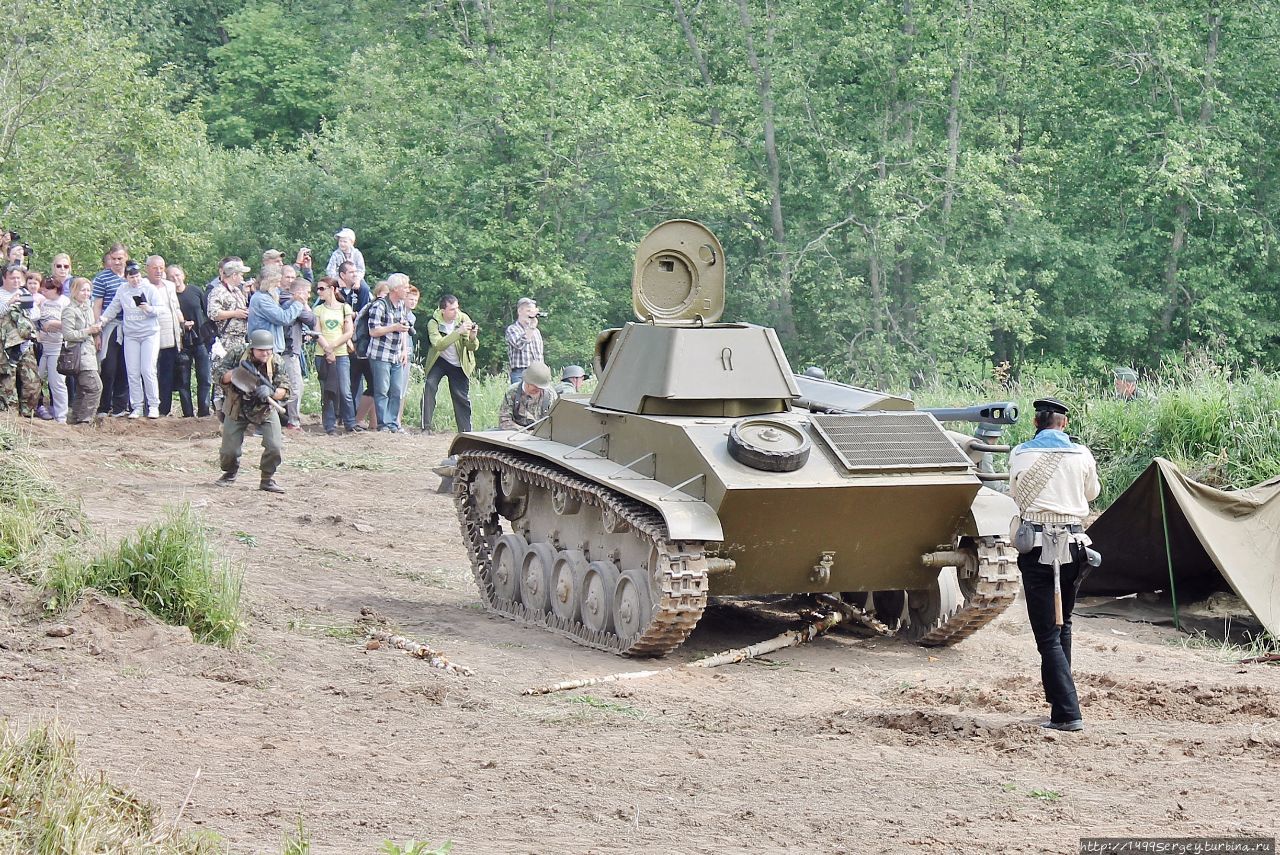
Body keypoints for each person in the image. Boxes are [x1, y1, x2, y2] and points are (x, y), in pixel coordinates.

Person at [1008, 397, 1101, 733]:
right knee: (1064, 626)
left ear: (1036, 423)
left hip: (1035, 546)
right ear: (1063, 424)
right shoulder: (1082, 454)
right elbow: (1092, 493)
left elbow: (1015, 493)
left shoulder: (1020, 453)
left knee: (1047, 634)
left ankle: (1067, 712)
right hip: (1076, 547)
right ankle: (1058, 701)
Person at [216, 328, 290, 493]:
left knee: (274, 446)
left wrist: (270, 392)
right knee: (230, 450)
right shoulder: (237, 354)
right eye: (261, 350)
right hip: (237, 406)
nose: (265, 353)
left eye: (268, 349)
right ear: (252, 348)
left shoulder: (276, 361)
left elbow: (284, 389)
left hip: (264, 409)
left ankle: (267, 479)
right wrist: (237, 374)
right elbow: (218, 375)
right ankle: (230, 473)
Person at [99, 260, 162, 419]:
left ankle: (153, 405)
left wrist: (149, 309)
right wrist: (103, 320)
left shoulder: (149, 288)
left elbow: (161, 308)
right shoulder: (123, 290)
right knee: (132, 372)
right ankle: (137, 406)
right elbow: (114, 307)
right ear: (126, 278)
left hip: (149, 333)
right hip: (131, 335)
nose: (135, 280)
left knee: (147, 369)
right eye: (131, 277)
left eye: (137, 276)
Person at [421, 294, 478, 433]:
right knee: (430, 386)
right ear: (443, 311)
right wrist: (458, 332)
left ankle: (465, 431)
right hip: (439, 360)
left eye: (457, 308)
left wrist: (473, 337)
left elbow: (471, 347)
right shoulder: (433, 322)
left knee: (461, 397)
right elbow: (439, 345)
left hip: (459, 362)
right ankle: (426, 427)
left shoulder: (463, 318)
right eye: (452, 309)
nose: (456, 312)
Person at [367, 274, 412, 433]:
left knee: (397, 390)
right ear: (396, 289)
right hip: (380, 355)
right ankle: (383, 424)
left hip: (396, 355)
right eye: (405, 287)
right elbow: (373, 331)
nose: (407, 290)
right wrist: (394, 327)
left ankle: (394, 423)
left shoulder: (401, 305)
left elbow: (403, 329)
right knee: (382, 390)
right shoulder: (379, 305)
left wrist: (404, 350)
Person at [91, 243, 131, 417]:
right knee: (109, 367)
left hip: (130, 327)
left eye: (120, 259)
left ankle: (121, 406)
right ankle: (104, 406)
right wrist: (97, 332)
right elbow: (97, 306)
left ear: (126, 258)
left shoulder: (132, 277)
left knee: (126, 366)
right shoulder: (102, 278)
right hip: (110, 327)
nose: (117, 262)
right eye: (114, 259)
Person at [312, 276, 355, 434]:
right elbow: (317, 332)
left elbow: (349, 332)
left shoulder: (345, 308)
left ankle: (350, 423)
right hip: (321, 354)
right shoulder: (318, 310)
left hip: (341, 354)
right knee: (327, 390)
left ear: (333, 289)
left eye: (322, 288)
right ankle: (329, 425)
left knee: (345, 390)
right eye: (318, 288)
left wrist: (332, 347)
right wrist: (327, 349)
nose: (319, 292)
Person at [145, 256, 184, 417]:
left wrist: (182, 324)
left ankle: (165, 409)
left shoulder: (169, 285)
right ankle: (149, 406)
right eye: (155, 268)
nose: (159, 271)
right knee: (150, 370)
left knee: (167, 373)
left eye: (161, 268)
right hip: (149, 334)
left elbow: (175, 307)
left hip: (170, 334)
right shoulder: (143, 285)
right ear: (147, 269)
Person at [170, 265, 212, 417]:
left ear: (183, 275)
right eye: (172, 277)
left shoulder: (195, 290)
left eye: (177, 275)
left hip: (201, 340)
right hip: (182, 344)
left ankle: (204, 412)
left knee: (205, 378)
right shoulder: (169, 295)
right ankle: (187, 414)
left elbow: (207, 311)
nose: (176, 279)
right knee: (183, 381)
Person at [59, 278, 102, 425]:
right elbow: (68, 335)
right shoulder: (69, 310)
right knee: (95, 387)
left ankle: (75, 419)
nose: (86, 293)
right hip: (78, 356)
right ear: (74, 291)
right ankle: (85, 420)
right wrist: (89, 330)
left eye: (88, 290)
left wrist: (96, 331)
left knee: (83, 389)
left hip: (89, 354)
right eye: (83, 290)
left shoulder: (88, 308)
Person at [278, 269, 316, 431]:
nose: (309, 296)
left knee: (290, 385)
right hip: (289, 350)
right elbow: (311, 319)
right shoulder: (293, 303)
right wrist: (303, 303)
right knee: (295, 386)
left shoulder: (286, 301)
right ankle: (293, 421)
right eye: (307, 292)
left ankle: (283, 417)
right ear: (299, 292)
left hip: (290, 350)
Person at [0, 267, 38, 414]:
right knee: (7, 383)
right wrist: (9, 303)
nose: (16, 281)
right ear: (4, 278)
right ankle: (10, 416)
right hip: (5, 346)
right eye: (12, 278)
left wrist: (28, 307)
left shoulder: (25, 292)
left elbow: (35, 315)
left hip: (24, 344)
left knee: (32, 382)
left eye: (18, 278)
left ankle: (28, 414)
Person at [35, 276, 70, 422]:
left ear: (56, 289)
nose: (46, 291)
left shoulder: (65, 302)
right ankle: (35, 408)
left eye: (49, 288)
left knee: (57, 382)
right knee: (36, 378)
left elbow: (70, 324)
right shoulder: (43, 302)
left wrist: (54, 323)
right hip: (44, 345)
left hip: (58, 346)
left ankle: (61, 416)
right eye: (44, 288)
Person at [497, 361, 557, 430]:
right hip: (514, 435)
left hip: (541, 437)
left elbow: (555, 423)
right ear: (527, 381)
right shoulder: (513, 392)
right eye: (536, 387)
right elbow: (504, 421)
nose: (539, 390)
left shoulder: (550, 394)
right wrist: (525, 433)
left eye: (541, 388)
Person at [505, 296, 544, 384]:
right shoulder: (512, 329)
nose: (531, 314)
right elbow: (519, 345)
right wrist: (531, 327)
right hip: (521, 373)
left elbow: (540, 355)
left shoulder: (536, 331)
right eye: (528, 311)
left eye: (532, 311)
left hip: (538, 373)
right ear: (519, 311)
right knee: (520, 397)